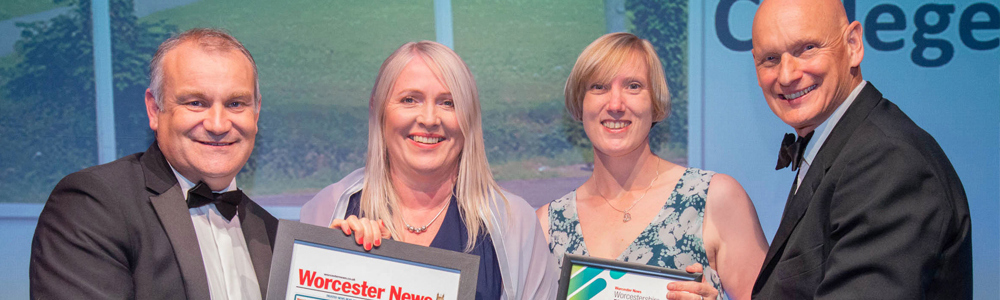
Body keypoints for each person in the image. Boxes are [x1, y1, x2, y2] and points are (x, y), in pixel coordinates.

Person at [30, 28, 277, 299]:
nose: (217, 124)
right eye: (196, 103)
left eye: (235, 103)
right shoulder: (94, 205)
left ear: (256, 113)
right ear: (154, 110)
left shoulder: (272, 232)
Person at [299, 41, 557, 300]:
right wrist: (331, 266)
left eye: (448, 103)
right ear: (377, 109)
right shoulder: (328, 210)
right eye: (410, 100)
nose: (429, 119)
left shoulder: (514, 222)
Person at [749, 0, 973, 299]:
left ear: (853, 44)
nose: (787, 75)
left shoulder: (888, 161)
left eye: (807, 49)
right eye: (771, 58)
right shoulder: (846, 145)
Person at [536, 32, 768, 300]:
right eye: (598, 87)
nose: (615, 104)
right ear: (580, 103)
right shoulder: (548, 224)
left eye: (633, 86)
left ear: (656, 102)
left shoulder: (713, 199)